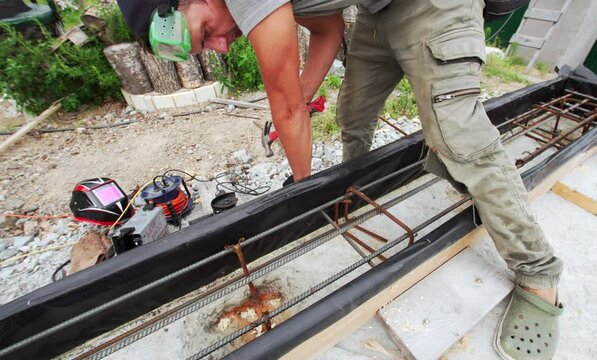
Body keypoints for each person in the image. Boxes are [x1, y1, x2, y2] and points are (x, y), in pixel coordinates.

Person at [117, 1, 564, 359]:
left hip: (432, 7)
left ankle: (538, 272)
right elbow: (329, 27)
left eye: (204, 32)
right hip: (377, 11)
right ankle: (354, 197)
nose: (218, 46)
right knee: (353, 115)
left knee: (458, 136)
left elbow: (287, 107)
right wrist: (305, 98)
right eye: (204, 47)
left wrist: (305, 189)